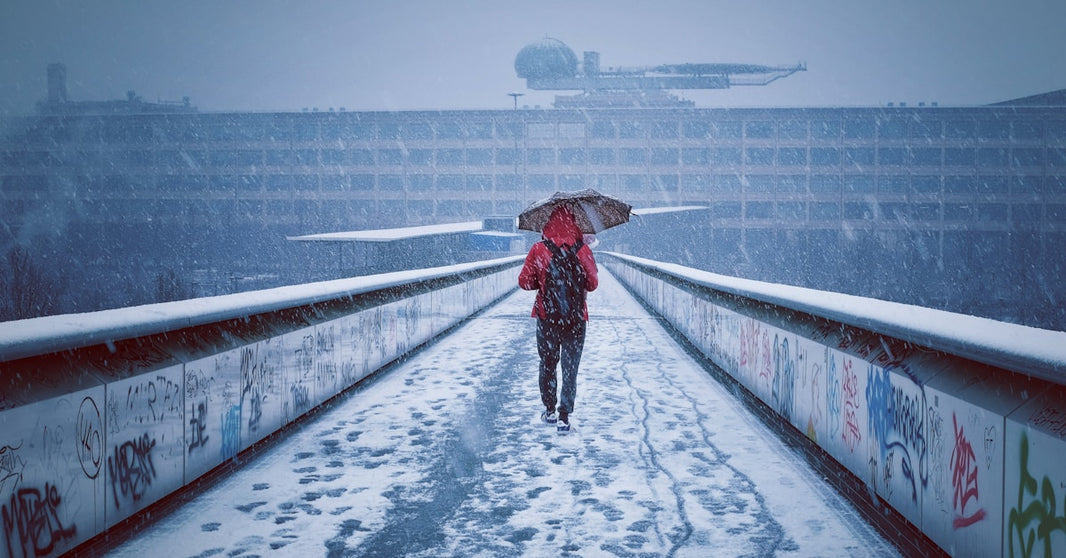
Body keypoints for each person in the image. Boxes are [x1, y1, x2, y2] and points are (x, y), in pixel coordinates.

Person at [518, 205, 598, 433]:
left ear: (547, 223)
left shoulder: (539, 248)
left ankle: (550, 409)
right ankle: (565, 416)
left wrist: (542, 284)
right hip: (575, 318)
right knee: (570, 368)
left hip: (547, 317)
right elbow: (593, 284)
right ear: (575, 223)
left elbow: (524, 281)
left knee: (548, 363)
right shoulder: (582, 249)